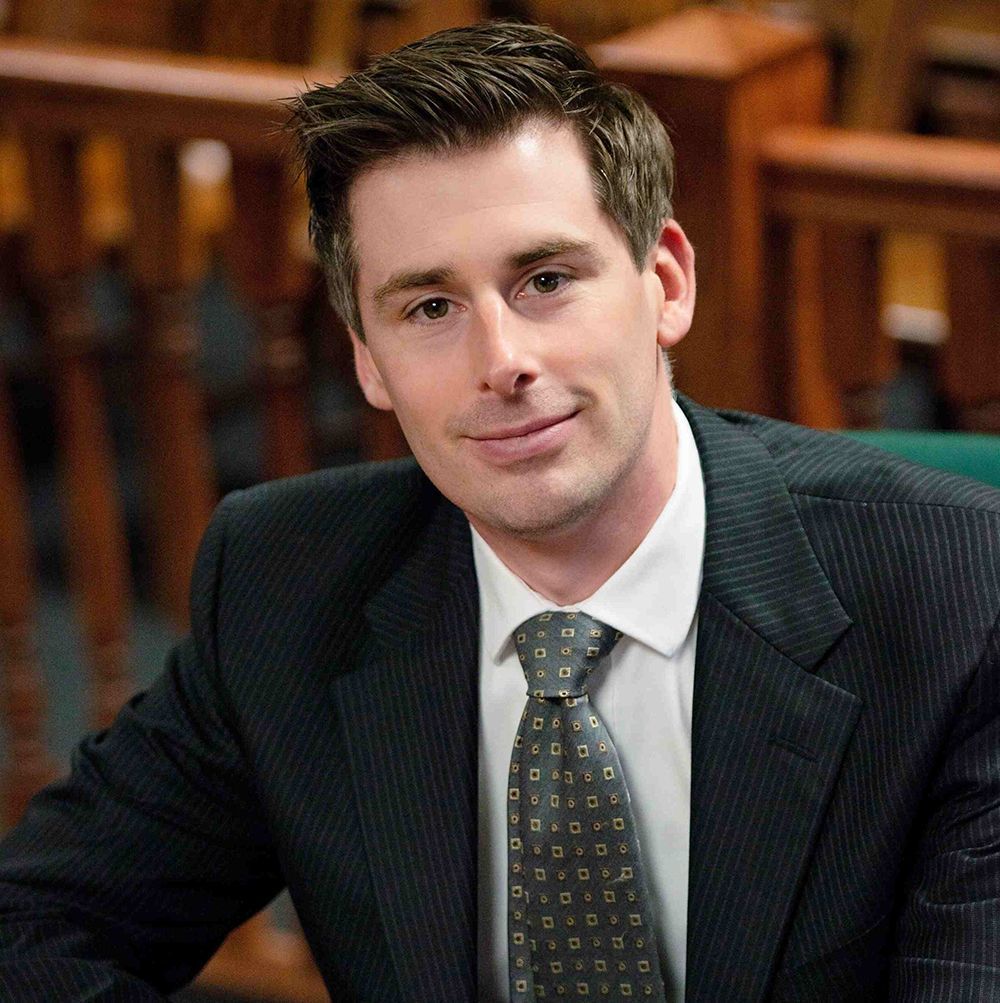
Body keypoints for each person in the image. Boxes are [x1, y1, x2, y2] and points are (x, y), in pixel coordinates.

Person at [1, 19, 999, 1003]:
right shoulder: (283, 578)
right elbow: (35, 927)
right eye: (428, 307)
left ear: (665, 282)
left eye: (546, 280)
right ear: (365, 357)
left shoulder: (960, 597)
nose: (500, 362)